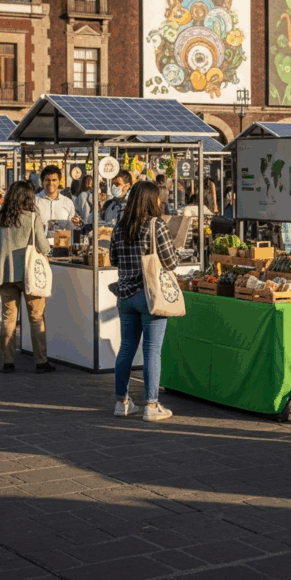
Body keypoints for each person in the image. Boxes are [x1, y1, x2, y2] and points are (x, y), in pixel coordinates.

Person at [110, 180, 179, 422]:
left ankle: (122, 401)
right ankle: (151, 405)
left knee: (127, 348)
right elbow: (171, 262)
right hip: (150, 296)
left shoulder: (120, 226)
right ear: (151, 200)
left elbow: (113, 259)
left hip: (125, 295)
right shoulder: (156, 225)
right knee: (152, 351)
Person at [0, 181, 54, 373]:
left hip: (5, 274)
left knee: (8, 318)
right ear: (28, 197)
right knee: (36, 318)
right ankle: (41, 362)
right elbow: (43, 246)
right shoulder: (32, 217)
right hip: (29, 275)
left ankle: (8, 362)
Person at [35, 165, 82, 235]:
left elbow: (71, 227)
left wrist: (75, 223)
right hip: (39, 245)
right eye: (47, 180)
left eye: (54, 180)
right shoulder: (34, 201)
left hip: (63, 244)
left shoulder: (68, 203)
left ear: (59, 181)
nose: (51, 183)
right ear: (42, 182)